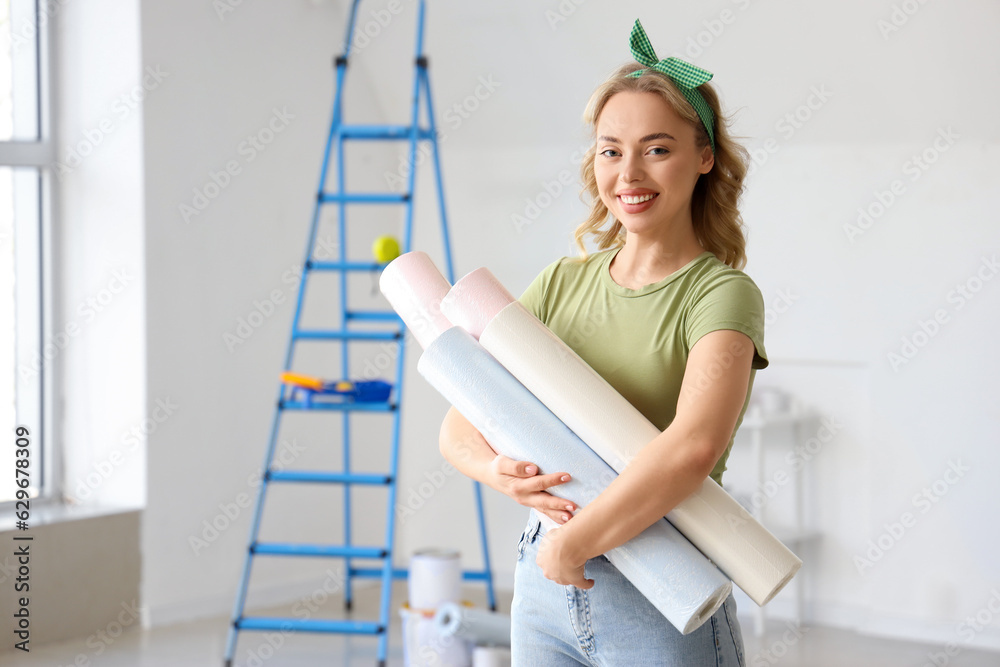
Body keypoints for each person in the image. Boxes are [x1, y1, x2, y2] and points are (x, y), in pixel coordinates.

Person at [439, 19, 767, 666]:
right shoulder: (560, 284)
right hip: (544, 586)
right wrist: (494, 470)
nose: (629, 172)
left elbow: (692, 448)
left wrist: (577, 540)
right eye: (611, 150)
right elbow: (460, 419)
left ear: (704, 157)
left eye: (657, 148)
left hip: (665, 588)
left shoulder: (721, 295)